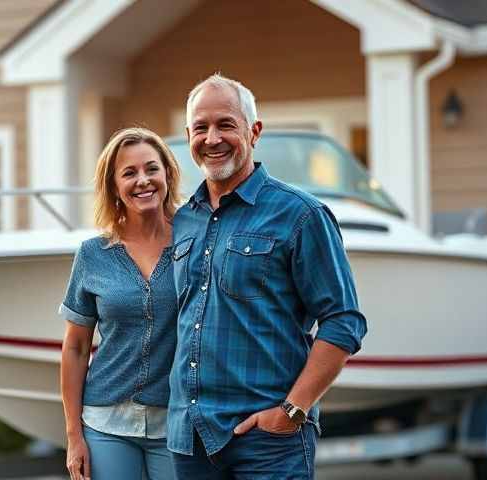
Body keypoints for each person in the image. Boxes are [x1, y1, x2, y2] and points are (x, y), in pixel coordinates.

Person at [168, 73, 368, 479]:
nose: (212, 138)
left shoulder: (300, 214)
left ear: (254, 131)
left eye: (226, 124)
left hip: (269, 442)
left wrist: (292, 411)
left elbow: (343, 321)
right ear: (188, 135)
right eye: (201, 127)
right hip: (191, 441)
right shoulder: (182, 220)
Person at [59, 127, 182, 480]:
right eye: (129, 173)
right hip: (105, 423)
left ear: (167, 174)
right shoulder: (93, 254)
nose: (143, 180)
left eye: (151, 169)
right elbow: (76, 347)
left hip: (175, 423)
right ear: (114, 186)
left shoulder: (194, 240)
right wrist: (73, 437)